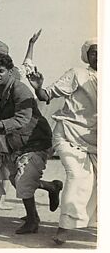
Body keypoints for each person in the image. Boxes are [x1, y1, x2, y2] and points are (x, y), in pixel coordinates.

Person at [0, 54, 62, 234]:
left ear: (10, 72)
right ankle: (51, 187)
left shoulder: (20, 89)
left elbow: (23, 118)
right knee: (16, 178)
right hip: (17, 142)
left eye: (1, 71)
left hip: (35, 140)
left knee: (23, 179)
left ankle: (32, 221)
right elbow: (5, 113)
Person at [28, 39, 97, 245]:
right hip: (67, 134)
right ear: (87, 54)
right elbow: (46, 95)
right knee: (77, 177)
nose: (98, 56)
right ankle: (64, 229)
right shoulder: (77, 73)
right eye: (94, 52)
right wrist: (38, 87)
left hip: (97, 140)